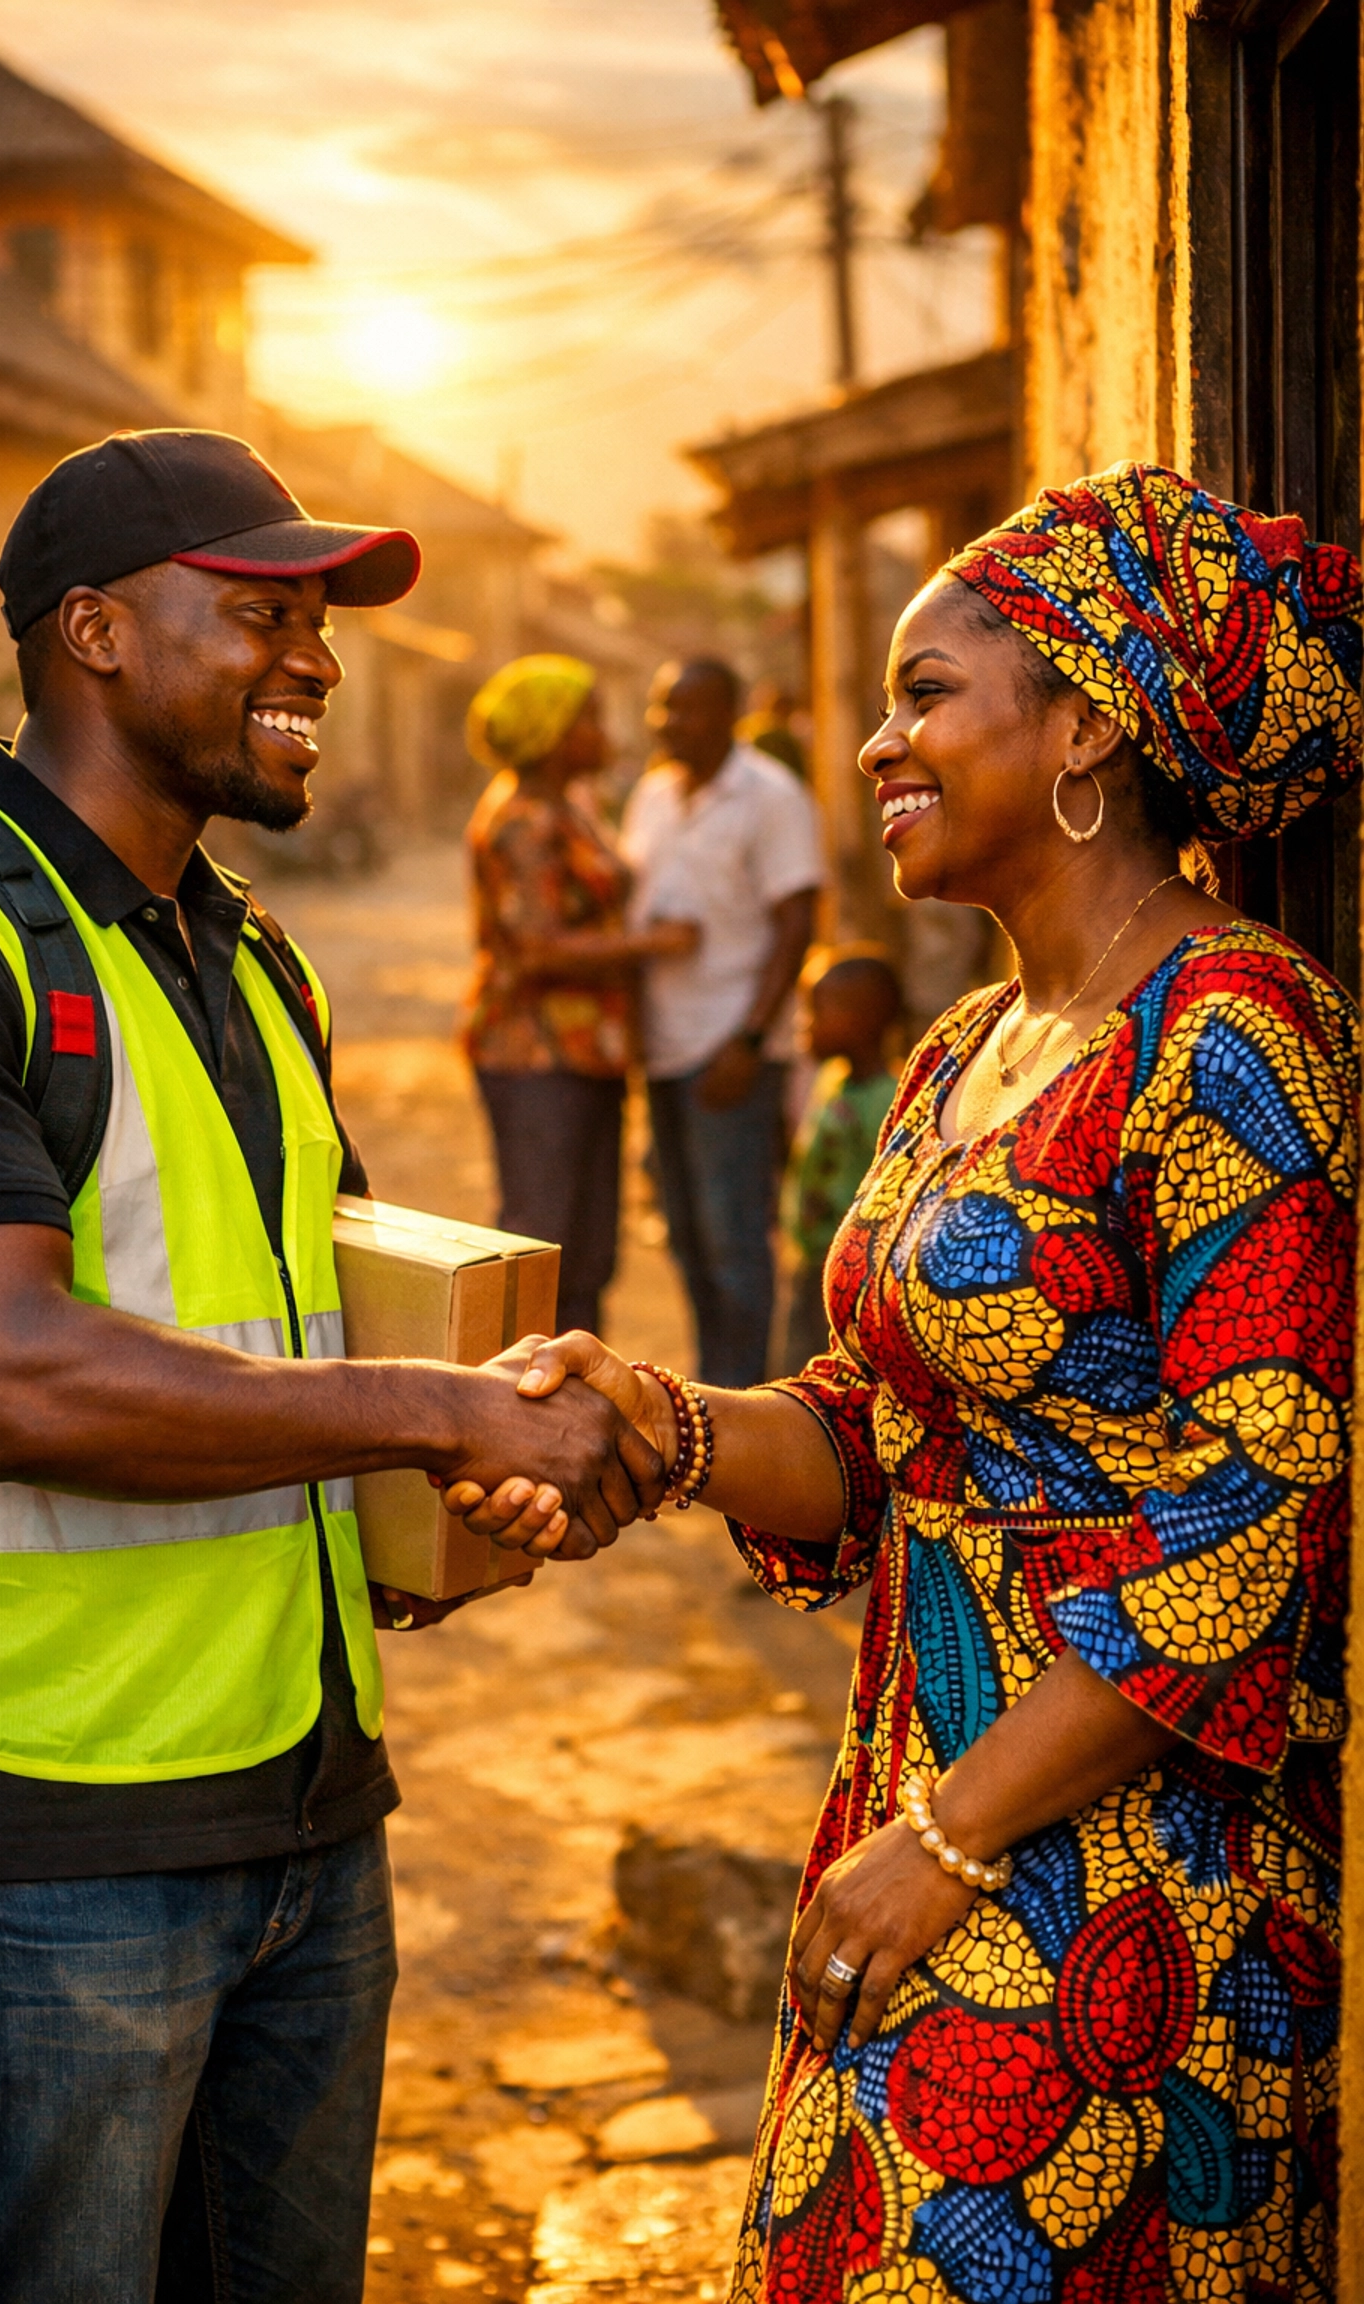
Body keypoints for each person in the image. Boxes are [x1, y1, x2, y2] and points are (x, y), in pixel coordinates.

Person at [453, 466, 1360, 2301]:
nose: (878, 741)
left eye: (924, 690)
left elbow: (1258, 1511)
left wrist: (949, 1836)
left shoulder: (1239, 1031)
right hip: (920, 1799)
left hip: (1124, 1875)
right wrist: (663, 1418)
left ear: (1088, 714)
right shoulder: (966, 1049)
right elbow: (875, 1432)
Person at [0, 429, 661, 2304]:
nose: (316, 666)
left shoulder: (246, 947)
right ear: (96, 631)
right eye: (260, 615)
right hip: (32, 1841)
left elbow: (297, 1327)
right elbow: (10, 1376)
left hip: (304, 1805)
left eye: (321, 624)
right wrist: (439, 1409)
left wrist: (455, 1474)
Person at [463, 654, 697, 1336]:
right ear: (552, 732)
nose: (603, 731)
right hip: (534, 1051)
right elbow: (535, 949)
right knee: (544, 1244)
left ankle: (571, 1394)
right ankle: (515, 1402)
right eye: (589, 718)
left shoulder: (566, 808)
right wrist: (654, 944)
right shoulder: (523, 820)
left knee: (588, 1252)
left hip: (582, 1052)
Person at [622, 656, 825, 1386]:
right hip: (664, 1052)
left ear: (730, 714)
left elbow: (796, 922)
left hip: (731, 1052)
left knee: (735, 1244)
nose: (666, 723)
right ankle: (713, 1393)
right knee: (685, 1239)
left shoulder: (772, 797)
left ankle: (746, 1408)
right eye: (659, 707)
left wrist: (748, 1040)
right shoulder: (649, 795)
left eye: (685, 709)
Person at [774, 946, 900, 1374]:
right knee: (794, 1365)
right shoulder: (831, 1081)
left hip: (853, 1270)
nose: (804, 1024)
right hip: (809, 1258)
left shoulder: (887, 1099)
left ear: (864, 1021)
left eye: (815, 1012)